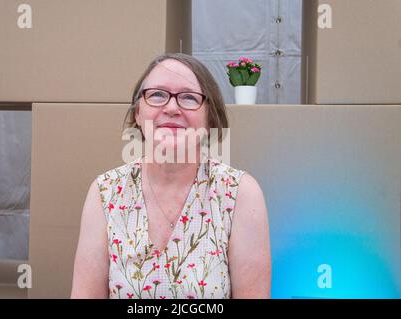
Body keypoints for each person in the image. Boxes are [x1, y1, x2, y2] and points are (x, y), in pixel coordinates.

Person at [71, 53, 271, 299]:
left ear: (210, 118)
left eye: (188, 97)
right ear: (137, 113)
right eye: (157, 95)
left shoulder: (239, 193)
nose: (172, 107)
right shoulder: (105, 192)